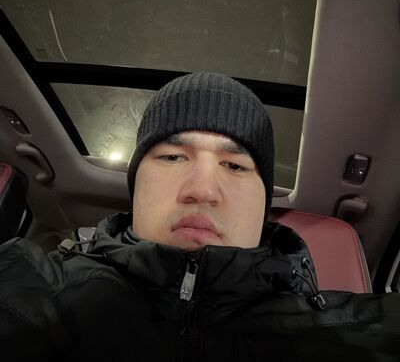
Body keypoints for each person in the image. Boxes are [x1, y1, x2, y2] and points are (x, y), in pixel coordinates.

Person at [0, 72, 399, 361]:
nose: (203, 190)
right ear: (136, 185)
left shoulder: (354, 333)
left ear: (263, 205)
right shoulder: (27, 287)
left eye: (235, 165)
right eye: (173, 157)